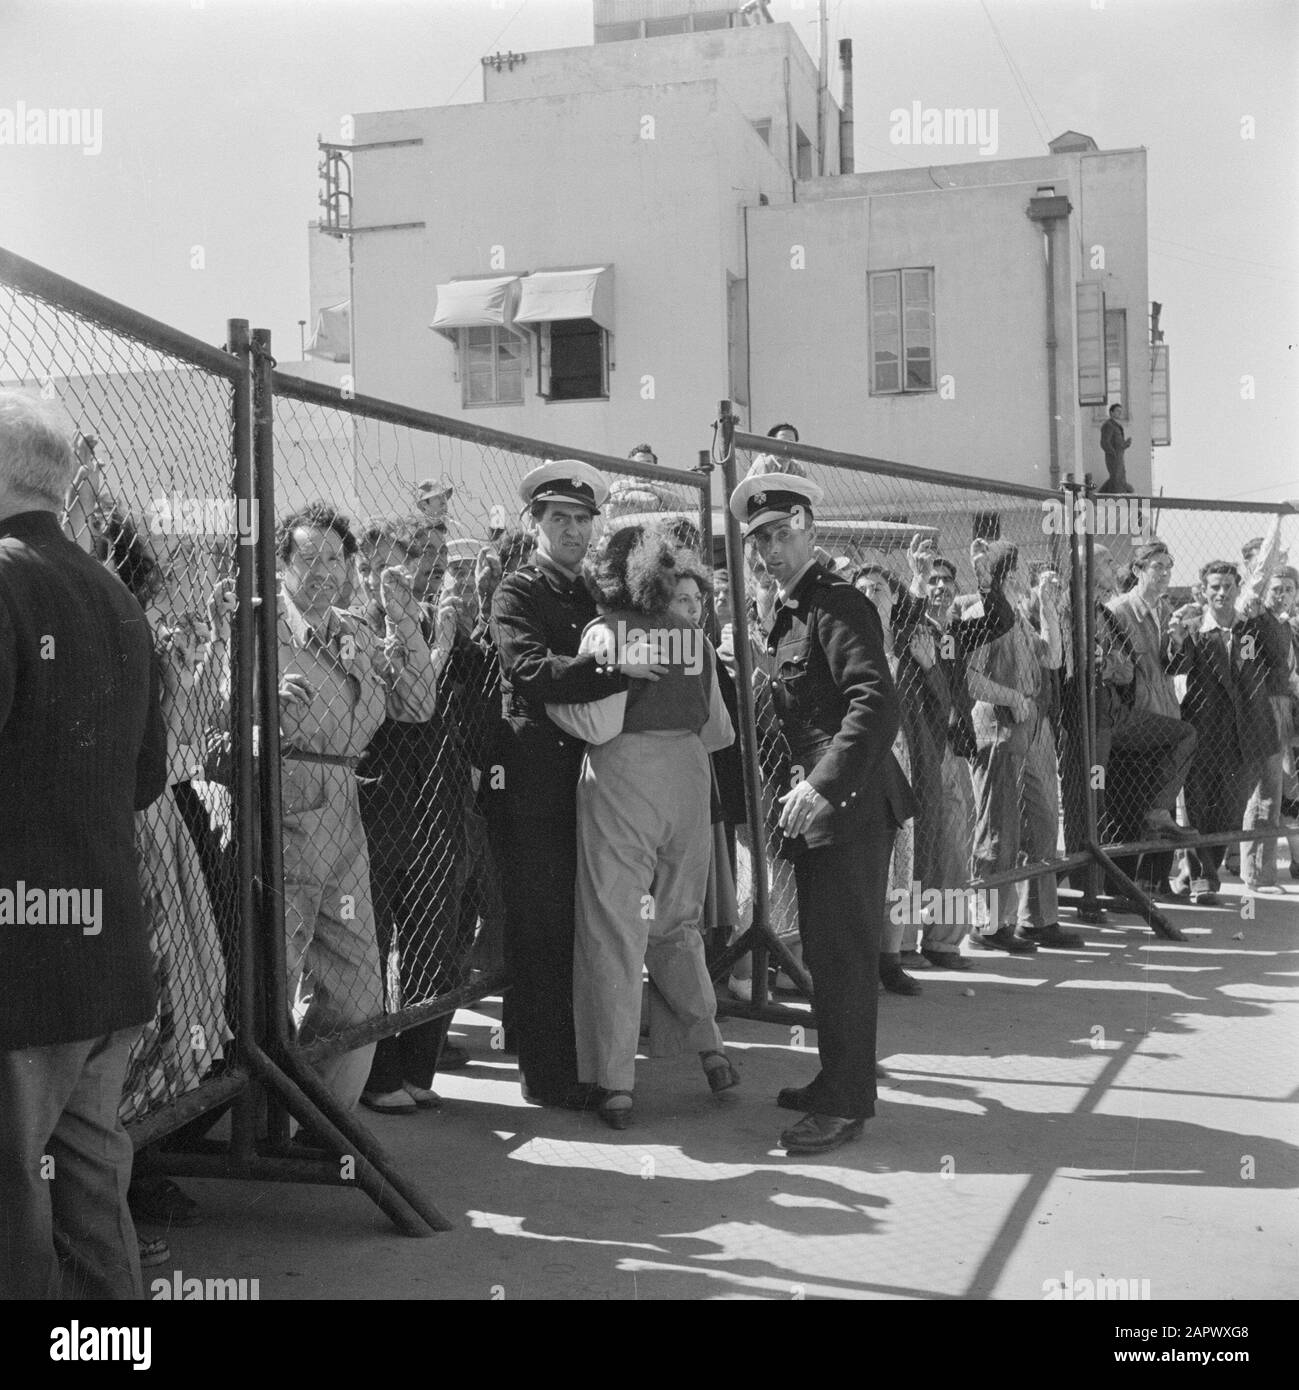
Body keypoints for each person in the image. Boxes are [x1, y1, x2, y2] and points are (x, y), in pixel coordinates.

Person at [0, 391, 168, 1299]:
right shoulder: (116, 594)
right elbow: (147, 777)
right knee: (91, 1176)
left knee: (11, 1188)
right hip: (106, 950)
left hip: (19, 964)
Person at [729, 473, 914, 1155]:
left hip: (848, 803)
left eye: (781, 533)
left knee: (841, 955)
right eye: (760, 540)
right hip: (820, 805)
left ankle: (844, 1104)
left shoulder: (836, 605)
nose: (770, 549)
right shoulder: (790, 610)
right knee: (830, 949)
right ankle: (836, 1076)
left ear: (808, 527)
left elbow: (875, 702)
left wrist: (822, 787)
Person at [488, 461, 663, 1109]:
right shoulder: (517, 592)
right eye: (557, 518)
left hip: (593, 783)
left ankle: (582, 1057)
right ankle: (548, 1074)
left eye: (581, 519)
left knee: (584, 922)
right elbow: (531, 669)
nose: (571, 529)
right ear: (535, 523)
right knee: (540, 926)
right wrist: (614, 668)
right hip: (534, 783)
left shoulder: (591, 593)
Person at [565, 527, 737, 1128]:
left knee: (613, 927)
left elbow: (591, 719)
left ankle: (615, 1083)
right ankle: (709, 1044)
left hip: (624, 779)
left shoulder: (605, 632)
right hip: (689, 779)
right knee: (675, 923)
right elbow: (719, 732)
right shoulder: (697, 639)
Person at [273, 501, 439, 1117]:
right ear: (282, 563)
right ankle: (262, 1121)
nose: (324, 571)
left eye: (336, 559)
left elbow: (417, 706)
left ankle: (323, 1124)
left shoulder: (355, 631)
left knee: (358, 986)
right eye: (309, 557)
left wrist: (404, 621)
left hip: (344, 814)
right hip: (282, 807)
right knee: (273, 976)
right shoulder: (258, 629)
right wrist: (258, 708)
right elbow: (210, 726)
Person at [354, 517, 459, 1113]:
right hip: (374, 794)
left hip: (432, 795)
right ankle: (377, 1072)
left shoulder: (421, 627)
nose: (381, 582)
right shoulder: (351, 633)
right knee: (374, 933)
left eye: (396, 569)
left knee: (431, 932)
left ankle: (420, 1064)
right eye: (371, 570)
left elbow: (426, 704)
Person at [965, 543, 1080, 952]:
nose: (1021, 578)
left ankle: (1039, 918)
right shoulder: (982, 614)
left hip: (1033, 727)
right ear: (1002, 574)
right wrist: (1009, 697)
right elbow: (969, 678)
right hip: (999, 726)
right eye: (1014, 570)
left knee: (1045, 821)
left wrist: (1048, 606)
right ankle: (990, 925)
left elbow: (1052, 660)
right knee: (1000, 829)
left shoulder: (1019, 616)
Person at [1166, 561, 1276, 905]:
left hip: (1243, 739)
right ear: (1203, 590)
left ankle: (1193, 873)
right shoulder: (1194, 630)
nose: (1221, 592)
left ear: (1237, 587)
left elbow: (1276, 662)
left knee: (1229, 812)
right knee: (1198, 809)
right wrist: (1176, 639)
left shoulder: (1251, 630)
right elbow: (1175, 666)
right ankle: (1204, 881)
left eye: (1228, 585)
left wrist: (1265, 616)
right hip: (1202, 734)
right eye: (1214, 586)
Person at [1105, 541, 1200, 858]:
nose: (1165, 573)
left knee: (1160, 805)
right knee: (1141, 803)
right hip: (1136, 716)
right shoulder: (1118, 611)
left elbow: (1171, 668)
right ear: (1137, 570)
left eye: (1168, 566)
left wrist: (1176, 642)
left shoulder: (1163, 610)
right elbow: (1115, 671)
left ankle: (1156, 885)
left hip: (1163, 713)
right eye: (1157, 566)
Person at [1240, 565, 1299, 893]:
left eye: (1289, 589)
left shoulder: (1284, 625)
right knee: (1263, 792)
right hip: (1261, 708)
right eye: (1276, 589)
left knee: (1275, 793)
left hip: (1282, 708)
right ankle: (1256, 874)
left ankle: (1262, 873)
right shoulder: (1256, 623)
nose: (1283, 595)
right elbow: (1247, 669)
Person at [1098, 404, 1132, 494]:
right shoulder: (1108, 425)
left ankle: (1099, 496)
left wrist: (1126, 444)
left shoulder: (1116, 426)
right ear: (1111, 413)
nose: (1120, 413)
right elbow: (1104, 442)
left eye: (1120, 411)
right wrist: (1113, 453)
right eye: (1117, 411)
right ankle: (1103, 497)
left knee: (1118, 479)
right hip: (1114, 458)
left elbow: (1118, 444)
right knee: (1117, 480)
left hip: (1119, 457)